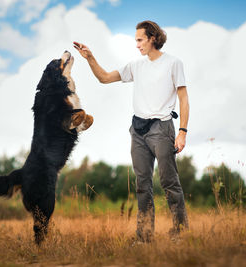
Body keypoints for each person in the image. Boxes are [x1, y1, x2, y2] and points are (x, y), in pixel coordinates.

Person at [74, 20, 189, 242]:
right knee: (142, 185)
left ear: (152, 38)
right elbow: (105, 78)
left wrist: (182, 131)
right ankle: (144, 237)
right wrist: (90, 58)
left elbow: (183, 98)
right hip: (138, 130)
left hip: (162, 128)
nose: (136, 44)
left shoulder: (174, 63)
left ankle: (180, 234)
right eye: (135, 40)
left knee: (169, 182)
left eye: (139, 40)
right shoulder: (136, 65)